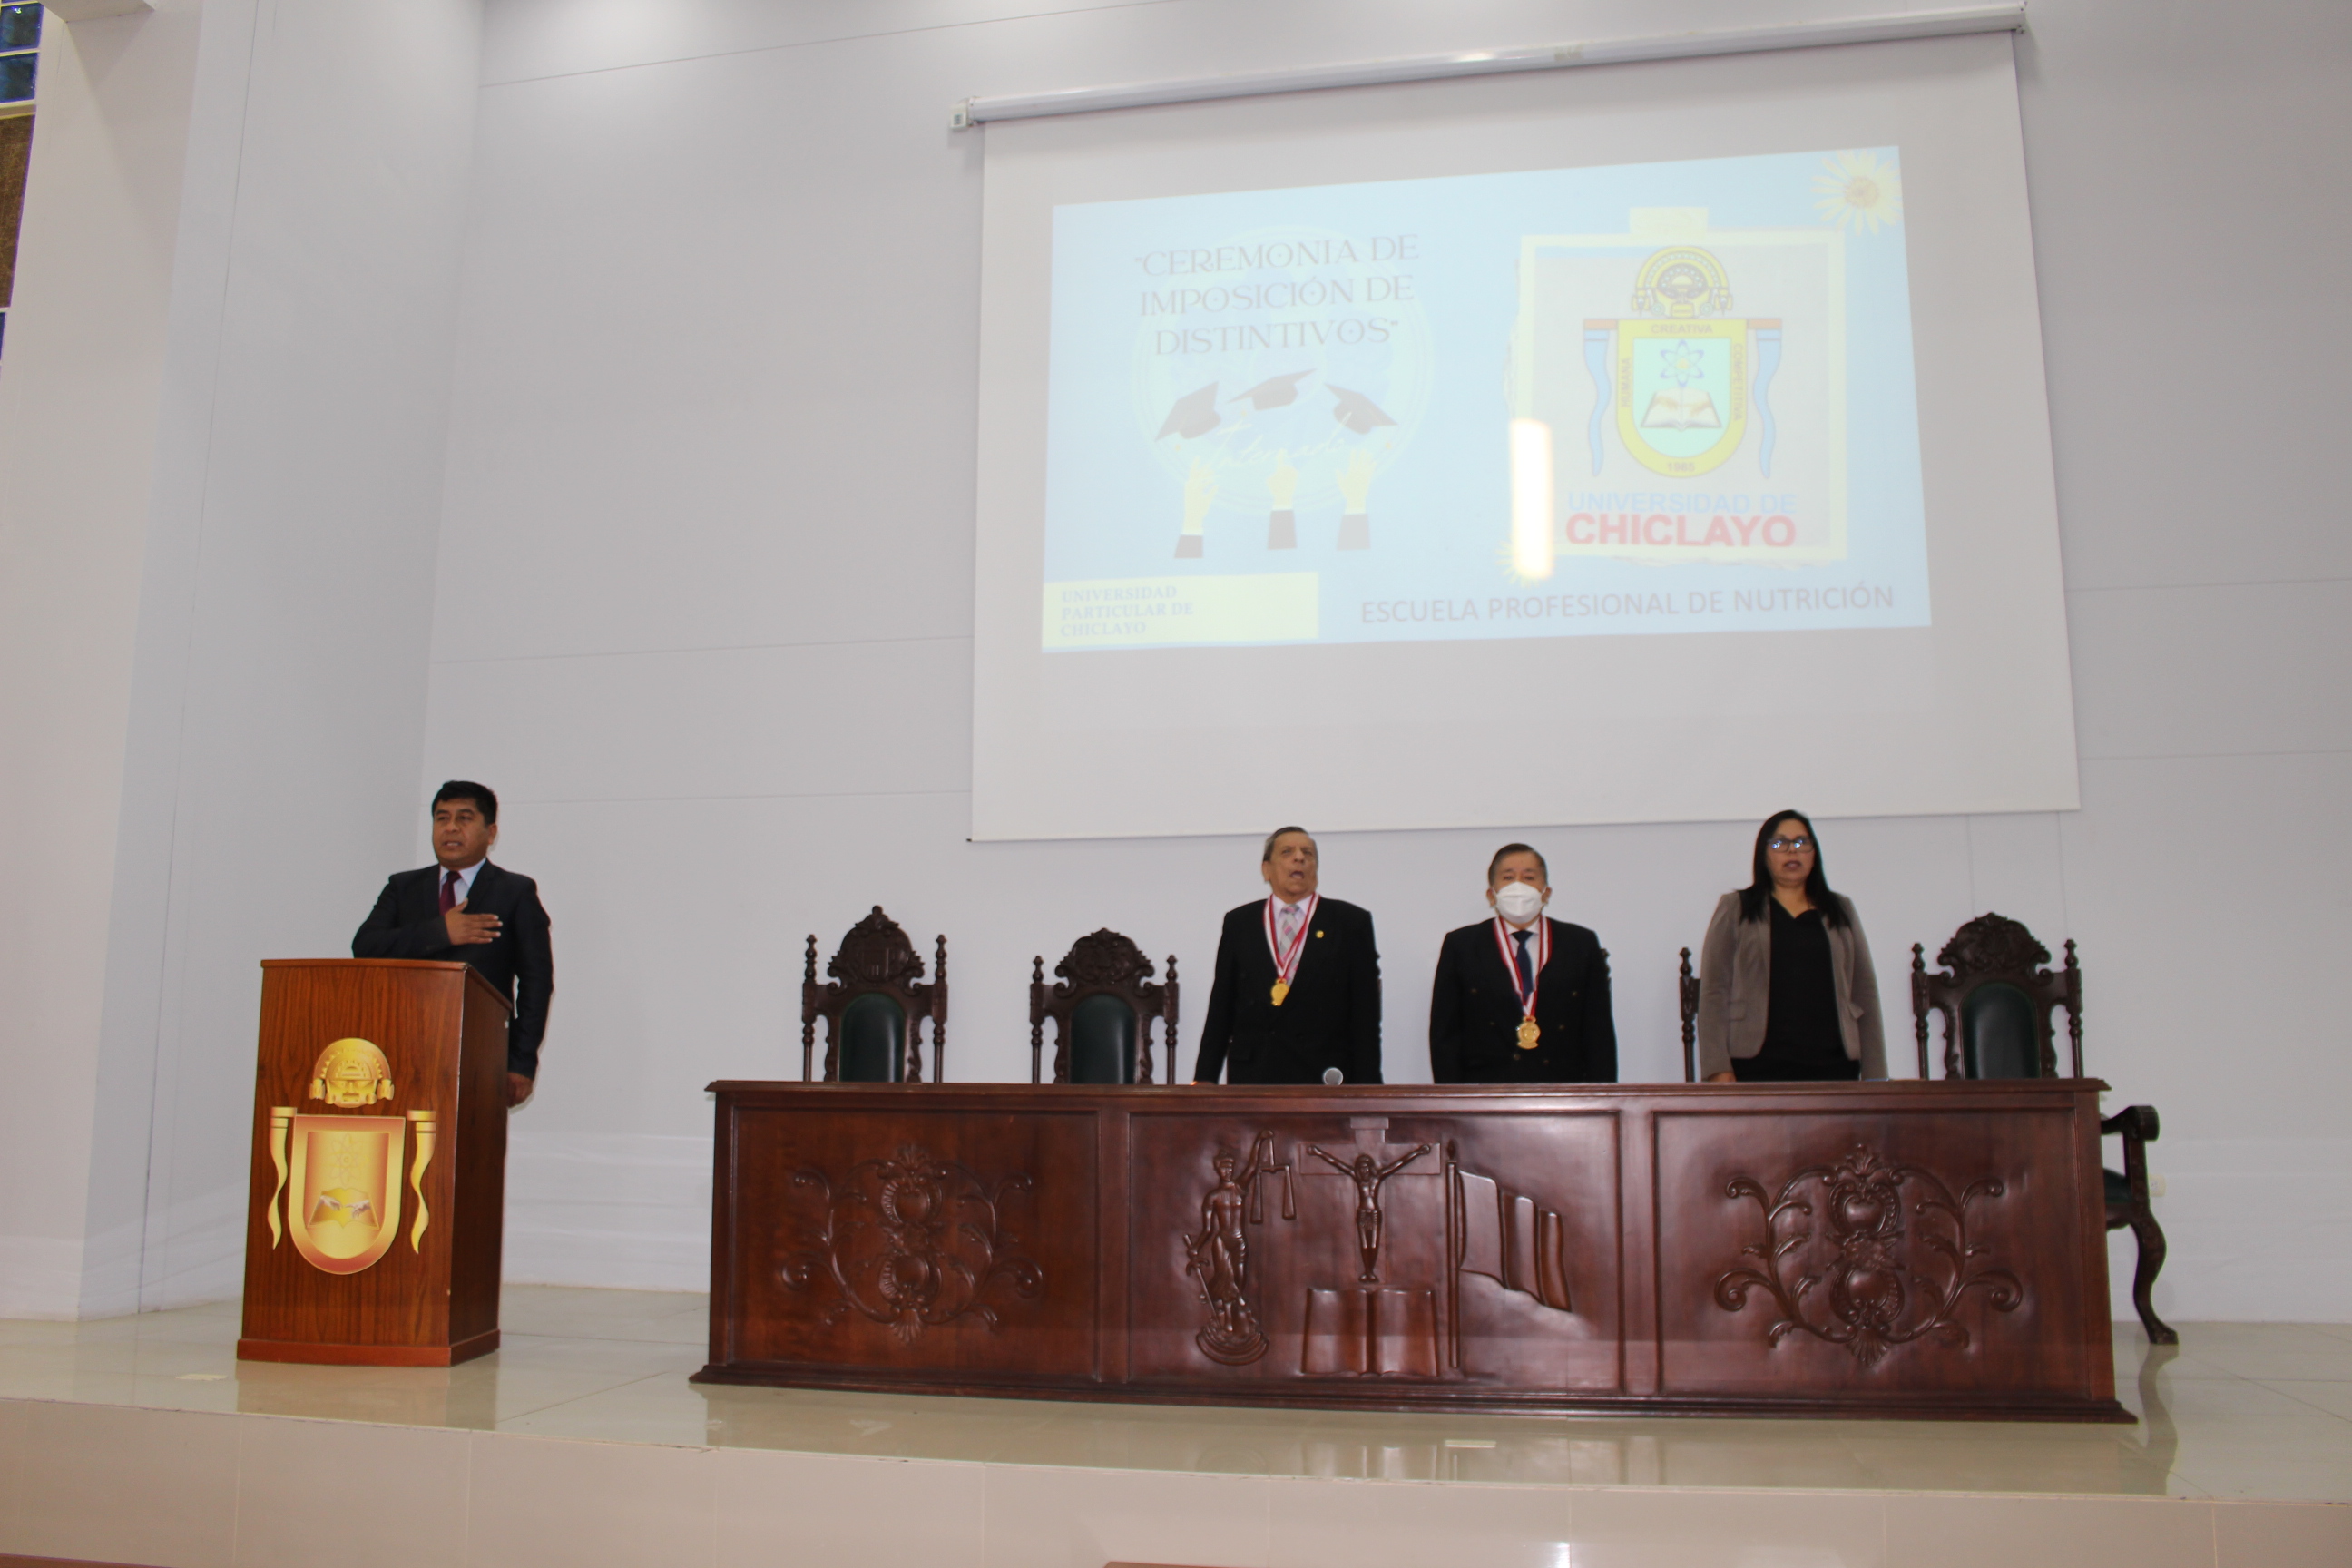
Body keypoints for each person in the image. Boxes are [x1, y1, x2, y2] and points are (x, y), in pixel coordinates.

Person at [353, 780, 553, 1107]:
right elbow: (365, 946)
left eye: (464, 818)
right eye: (442, 818)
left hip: (481, 1052)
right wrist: (440, 932)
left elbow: (536, 983)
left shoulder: (515, 892)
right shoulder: (402, 887)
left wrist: (520, 1063)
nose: (451, 828)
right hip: (401, 1049)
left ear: (491, 832)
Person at [1696, 809, 1885, 1083]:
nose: (1792, 851)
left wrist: (1876, 1075)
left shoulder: (1840, 909)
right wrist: (1717, 1068)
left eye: (1801, 842)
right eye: (1779, 843)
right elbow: (1714, 990)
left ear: (1814, 853)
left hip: (1835, 1065)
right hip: (1756, 1066)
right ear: (1763, 855)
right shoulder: (1737, 908)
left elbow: (1864, 990)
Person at [1191, 827, 1381, 1084]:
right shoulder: (1240, 923)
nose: (1299, 858)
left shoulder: (1350, 922)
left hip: (1324, 1077)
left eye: (1308, 853)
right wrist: (1204, 1079)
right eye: (1287, 852)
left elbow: (1366, 1017)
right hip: (1254, 1077)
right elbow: (1221, 1007)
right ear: (1266, 869)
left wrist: (1369, 1089)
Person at [1428, 843, 1617, 1084]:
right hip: (1484, 1089)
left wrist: (1602, 1097)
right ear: (1491, 894)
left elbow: (1599, 1032)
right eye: (1508, 877)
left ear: (1546, 893)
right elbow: (1445, 1034)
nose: (1518, 886)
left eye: (1529, 877)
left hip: (1564, 1088)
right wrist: (1451, 1100)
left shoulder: (1580, 943)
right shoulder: (1462, 945)